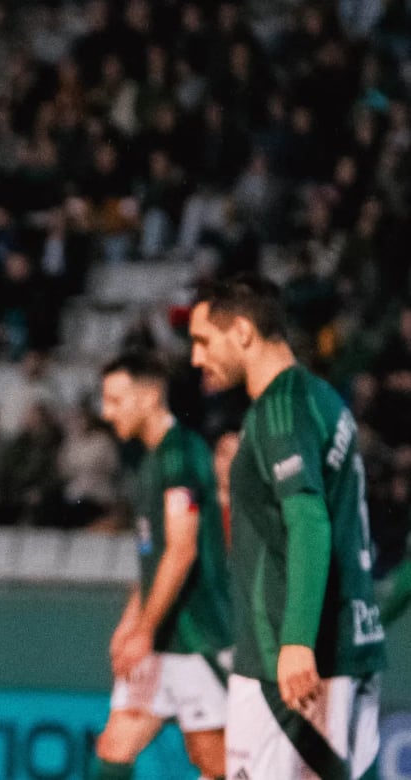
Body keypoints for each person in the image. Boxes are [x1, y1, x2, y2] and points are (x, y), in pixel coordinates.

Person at [189, 275, 385, 780]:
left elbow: (309, 520)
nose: (195, 358)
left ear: (244, 332)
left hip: (291, 659)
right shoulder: (321, 398)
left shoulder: (280, 407)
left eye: (203, 341)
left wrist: (296, 639)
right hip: (346, 644)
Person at [92, 352, 231, 780]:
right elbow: (156, 557)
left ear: (151, 396)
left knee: (217, 764)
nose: (106, 411)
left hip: (197, 638)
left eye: (116, 400)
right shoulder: (150, 459)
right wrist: (132, 622)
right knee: (113, 751)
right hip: (161, 639)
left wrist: (145, 629)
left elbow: (182, 550)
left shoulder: (181, 453)